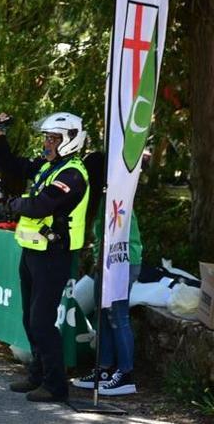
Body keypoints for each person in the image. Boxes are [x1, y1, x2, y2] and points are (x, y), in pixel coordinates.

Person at [0, 111, 90, 403]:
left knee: (41, 321)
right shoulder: (48, 166)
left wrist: (15, 204)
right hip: (33, 252)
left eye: (53, 138)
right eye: (46, 137)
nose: (47, 143)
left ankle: (55, 385)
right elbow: (10, 166)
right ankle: (37, 375)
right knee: (29, 318)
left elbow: (40, 205)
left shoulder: (72, 174)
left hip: (53, 253)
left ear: (70, 140)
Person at [71, 151, 142, 396]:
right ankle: (104, 369)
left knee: (117, 316)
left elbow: (117, 233)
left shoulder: (114, 195)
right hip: (108, 263)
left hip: (123, 262)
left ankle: (125, 374)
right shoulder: (102, 195)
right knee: (103, 315)